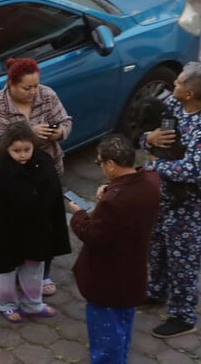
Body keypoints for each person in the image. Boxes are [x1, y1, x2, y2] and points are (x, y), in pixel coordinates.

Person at [139, 61, 201, 338]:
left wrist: (154, 167)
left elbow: (195, 170)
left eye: (178, 83)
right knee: (157, 246)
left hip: (189, 205)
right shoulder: (174, 107)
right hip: (163, 196)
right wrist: (148, 138)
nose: (173, 84)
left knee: (183, 260)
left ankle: (183, 316)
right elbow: (149, 140)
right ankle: (156, 291)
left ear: (189, 94)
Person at [0, 56, 71, 295]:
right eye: (26, 87)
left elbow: (66, 121)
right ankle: (2, 270)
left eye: (35, 86)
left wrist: (58, 133)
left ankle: (43, 272)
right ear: (11, 84)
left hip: (45, 173)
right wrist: (27, 134)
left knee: (45, 222)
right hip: (8, 180)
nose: (33, 92)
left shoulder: (47, 95)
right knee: (8, 226)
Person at [69, 134, 161, 363]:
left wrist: (78, 215)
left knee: (106, 340)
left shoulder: (115, 201)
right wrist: (111, 188)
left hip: (108, 281)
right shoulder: (151, 182)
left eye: (100, 162)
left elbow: (93, 235)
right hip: (133, 276)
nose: (101, 167)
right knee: (123, 328)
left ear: (111, 164)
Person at [0, 121, 71, 323]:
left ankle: (33, 303)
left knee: (34, 268)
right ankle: (6, 304)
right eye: (16, 151)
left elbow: (53, 196)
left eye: (26, 150)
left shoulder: (44, 162)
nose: (22, 154)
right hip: (8, 233)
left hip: (36, 231)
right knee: (6, 271)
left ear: (33, 146)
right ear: (7, 149)